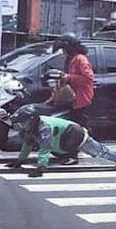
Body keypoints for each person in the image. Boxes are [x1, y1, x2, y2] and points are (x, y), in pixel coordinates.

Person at [6, 105, 116, 177]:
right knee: (98, 151)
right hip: (64, 137)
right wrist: (20, 161)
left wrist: (41, 168)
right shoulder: (32, 127)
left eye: (23, 122)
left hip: (74, 134)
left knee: (99, 152)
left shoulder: (44, 128)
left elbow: (45, 148)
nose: (21, 125)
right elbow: (27, 144)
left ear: (32, 119)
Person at [49, 33, 95, 165]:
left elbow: (88, 78)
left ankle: (73, 156)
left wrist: (69, 77)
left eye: (63, 49)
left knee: (74, 128)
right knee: (76, 125)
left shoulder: (81, 59)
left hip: (80, 99)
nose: (62, 52)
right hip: (72, 98)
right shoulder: (70, 59)